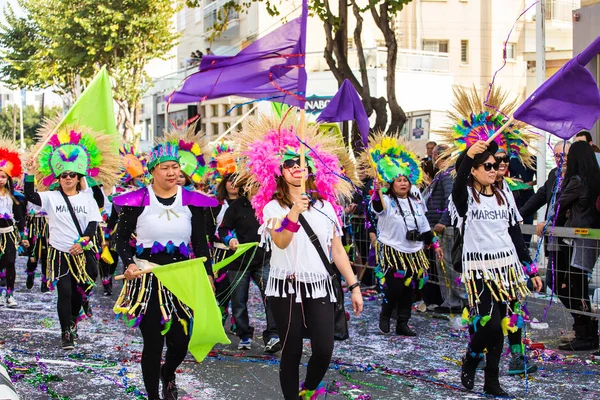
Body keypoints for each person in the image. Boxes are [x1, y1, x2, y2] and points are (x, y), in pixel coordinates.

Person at [233, 116, 363, 400]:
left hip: (319, 285)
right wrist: (293, 213)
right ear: (278, 172)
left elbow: (337, 250)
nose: (296, 168)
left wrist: (354, 286)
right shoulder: (270, 207)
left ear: (311, 170)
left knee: (324, 348)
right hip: (286, 287)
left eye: (301, 163)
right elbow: (280, 242)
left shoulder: (327, 206)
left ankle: (308, 390)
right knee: (291, 349)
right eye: (289, 164)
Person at [114, 141, 218, 400]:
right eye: (165, 167)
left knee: (180, 341)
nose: (172, 172)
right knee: (153, 342)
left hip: (182, 278)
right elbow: (120, 238)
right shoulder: (137, 200)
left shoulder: (192, 201)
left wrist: (208, 274)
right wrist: (128, 264)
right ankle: (153, 396)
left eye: (175, 167)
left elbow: (199, 243)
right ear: (153, 170)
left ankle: (168, 372)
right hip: (147, 279)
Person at [24, 124, 119, 350]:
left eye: (72, 175)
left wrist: (82, 243)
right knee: (64, 293)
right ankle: (66, 332)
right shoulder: (51, 197)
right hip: (59, 253)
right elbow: (29, 194)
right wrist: (28, 172)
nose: (67, 178)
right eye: (64, 175)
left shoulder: (87, 199)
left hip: (82, 252)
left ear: (78, 178)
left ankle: (74, 319)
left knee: (79, 293)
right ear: (59, 177)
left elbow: (93, 224)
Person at [365, 136, 443, 336]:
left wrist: (434, 245)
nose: (403, 183)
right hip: (393, 249)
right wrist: (377, 189)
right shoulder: (387, 201)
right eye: (398, 180)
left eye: (405, 180)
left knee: (410, 289)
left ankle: (403, 323)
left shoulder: (416, 200)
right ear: (391, 183)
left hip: (414, 250)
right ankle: (386, 313)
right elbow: (376, 206)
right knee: (395, 287)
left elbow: (424, 224)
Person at [218, 177, 280, 353]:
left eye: (259, 184)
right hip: (239, 262)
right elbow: (223, 229)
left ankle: (273, 335)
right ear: (245, 187)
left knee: (271, 297)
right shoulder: (236, 206)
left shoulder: (269, 205)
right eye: (253, 184)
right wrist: (230, 239)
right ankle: (244, 334)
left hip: (264, 259)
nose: (256, 187)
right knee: (239, 301)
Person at [494, 147, 538, 375]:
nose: (502, 163)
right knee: (484, 314)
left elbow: (515, 232)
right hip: (480, 264)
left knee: (513, 309)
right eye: (496, 160)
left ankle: (516, 355)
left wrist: (530, 268)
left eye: (505, 159)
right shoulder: (473, 191)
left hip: (508, 262)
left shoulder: (509, 191)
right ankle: (476, 354)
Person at [555, 141, 600, 351]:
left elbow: (558, 204)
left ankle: (586, 332)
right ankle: (587, 329)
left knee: (575, 287)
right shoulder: (594, 179)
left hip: (578, 238)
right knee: (576, 285)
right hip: (590, 238)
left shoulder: (577, 180)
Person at [422, 144, 464, 311]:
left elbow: (450, 199)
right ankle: (449, 301)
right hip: (439, 226)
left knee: (448, 265)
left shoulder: (447, 174)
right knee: (443, 266)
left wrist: (443, 221)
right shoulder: (444, 174)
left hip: (444, 228)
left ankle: (455, 302)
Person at [0, 140, 28, 307]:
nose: (0, 179)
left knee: (10, 263)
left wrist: (23, 236)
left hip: (9, 234)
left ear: (8, 178)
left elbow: (20, 218)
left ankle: (9, 295)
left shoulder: (15, 197)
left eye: (3, 176)